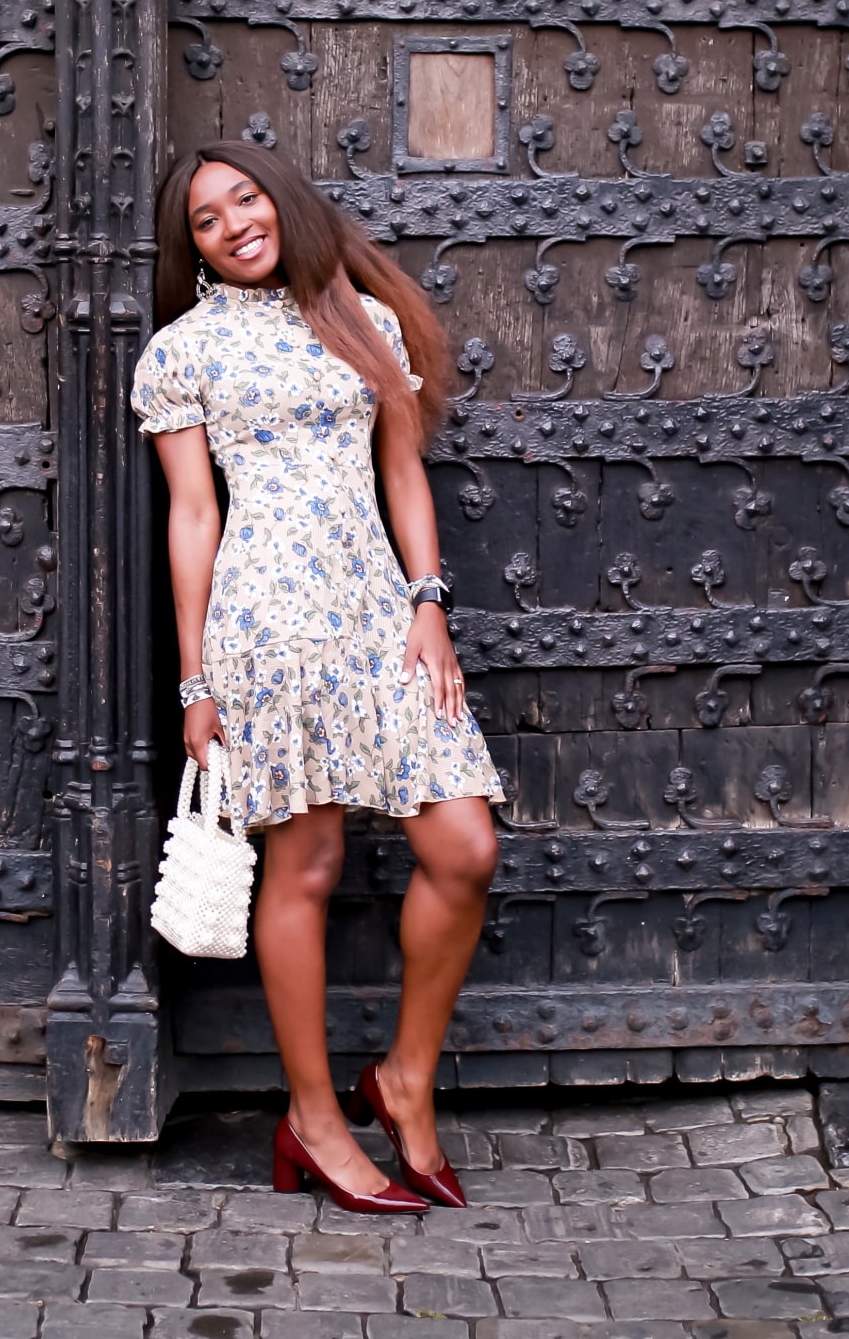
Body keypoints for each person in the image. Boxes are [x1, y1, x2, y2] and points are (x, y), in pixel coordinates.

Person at [131, 141, 505, 1214]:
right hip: (267, 628)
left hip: (380, 623)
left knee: (464, 847)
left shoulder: (365, 323)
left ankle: (403, 1082)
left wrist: (429, 606)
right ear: (193, 248)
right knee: (306, 863)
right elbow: (193, 517)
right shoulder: (183, 352)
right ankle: (314, 1120)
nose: (234, 223)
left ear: (283, 202)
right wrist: (198, 682)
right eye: (206, 219)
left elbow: (403, 475)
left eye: (246, 197)